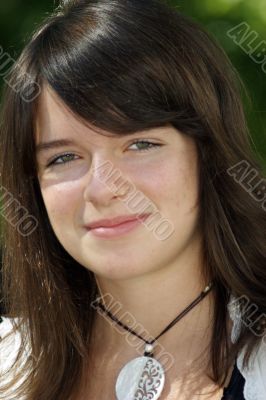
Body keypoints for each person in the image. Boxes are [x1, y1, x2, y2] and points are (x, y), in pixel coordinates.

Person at [0, 0, 266, 399]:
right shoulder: (7, 364)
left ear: (208, 154)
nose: (104, 188)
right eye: (65, 157)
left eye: (141, 144)